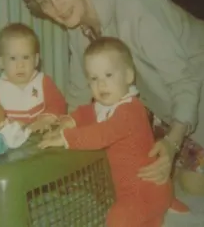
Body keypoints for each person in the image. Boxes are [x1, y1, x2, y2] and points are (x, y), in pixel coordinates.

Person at [12, 0, 204, 210]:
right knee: (166, 178)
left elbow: (184, 82)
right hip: (168, 106)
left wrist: (172, 143)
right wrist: (54, 126)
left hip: (201, 87)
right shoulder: (77, 28)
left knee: (194, 191)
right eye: (45, 2)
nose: (57, 7)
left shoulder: (136, 8)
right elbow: (80, 95)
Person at [39, 37, 173, 227]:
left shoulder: (131, 110)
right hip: (135, 189)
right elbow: (87, 112)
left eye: (108, 75)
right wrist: (71, 120)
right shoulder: (104, 105)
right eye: (94, 78)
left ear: (128, 76)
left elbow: (103, 134)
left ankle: (157, 211)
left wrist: (66, 138)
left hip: (144, 190)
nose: (101, 85)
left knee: (117, 219)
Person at [0, 22, 66, 129]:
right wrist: (6, 124)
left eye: (26, 57)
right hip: (9, 141)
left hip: (41, 135)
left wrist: (46, 119)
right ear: (1, 62)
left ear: (36, 60)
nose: (20, 65)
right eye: (13, 58)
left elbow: (58, 103)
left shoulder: (43, 82)